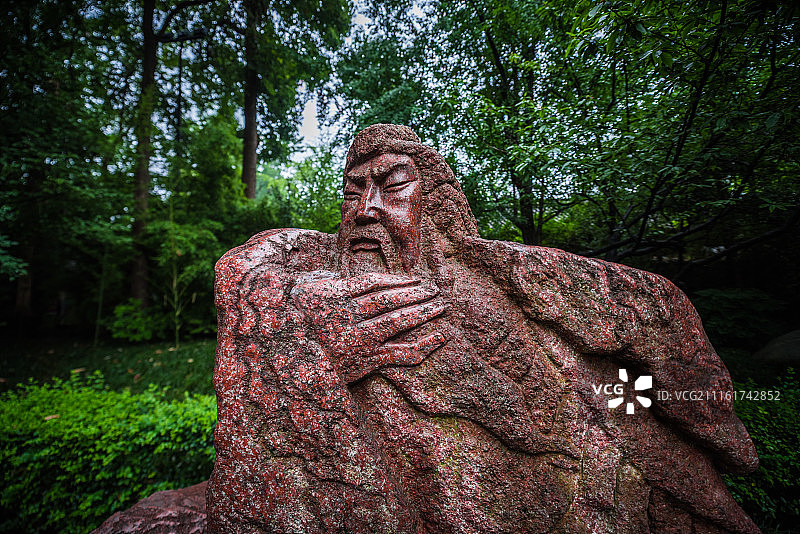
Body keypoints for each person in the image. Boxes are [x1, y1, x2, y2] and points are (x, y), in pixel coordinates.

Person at [207, 124, 759, 533]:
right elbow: (246, 269)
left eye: (393, 186)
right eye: (353, 192)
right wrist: (296, 335)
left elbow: (613, 379)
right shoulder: (308, 279)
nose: (366, 209)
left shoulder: (498, 283)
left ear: (437, 206)